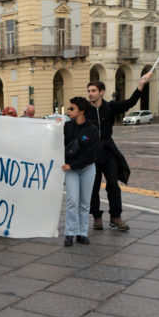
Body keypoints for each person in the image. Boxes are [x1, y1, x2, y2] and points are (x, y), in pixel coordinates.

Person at [86, 72, 152, 231]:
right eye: (88, 91)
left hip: (108, 151)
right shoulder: (85, 109)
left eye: (93, 91)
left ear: (101, 92)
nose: (90, 94)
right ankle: (96, 217)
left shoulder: (110, 107)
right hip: (92, 154)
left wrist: (141, 85)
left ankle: (116, 217)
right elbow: (72, 118)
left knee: (113, 186)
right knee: (93, 187)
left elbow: (130, 103)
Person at [62, 97, 101, 246]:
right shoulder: (66, 126)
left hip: (87, 168)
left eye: (72, 109)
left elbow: (91, 153)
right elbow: (56, 143)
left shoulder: (92, 129)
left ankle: (82, 233)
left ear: (81, 111)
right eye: (69, 108)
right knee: (72, 200)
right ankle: (70, 233)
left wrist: (73, 164)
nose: (68, 111)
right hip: (70, 169)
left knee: (85, 203)